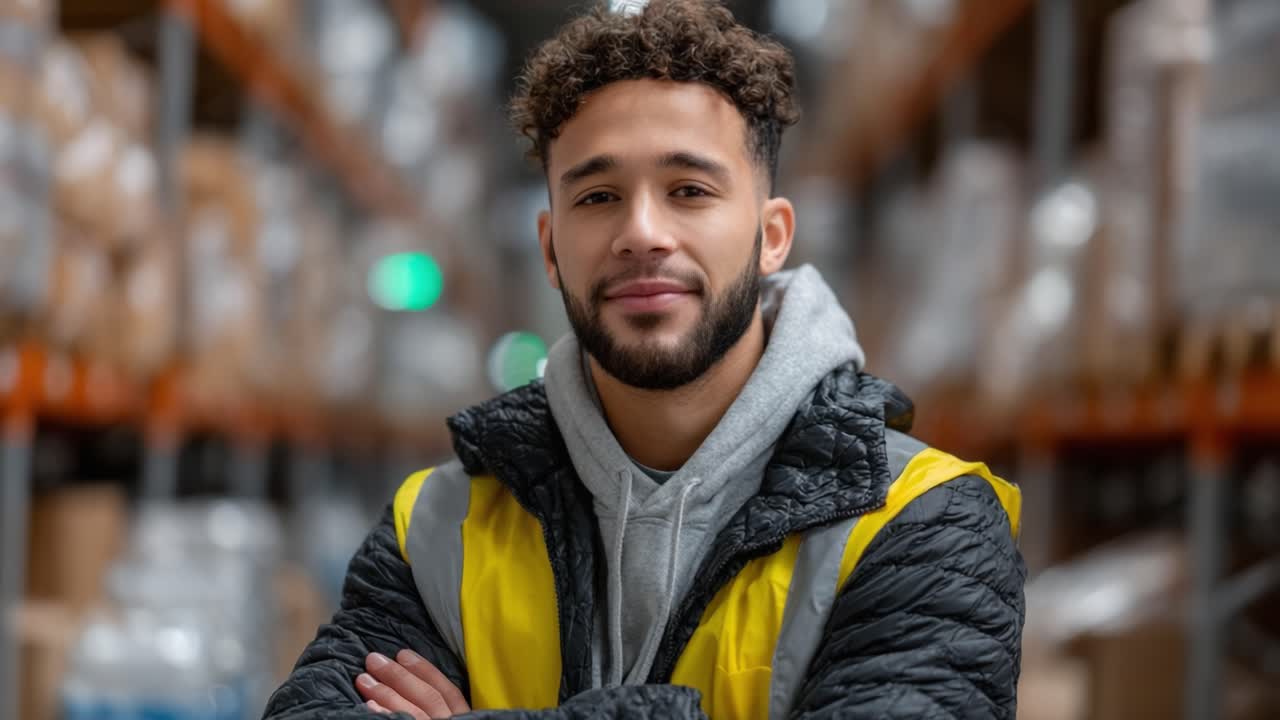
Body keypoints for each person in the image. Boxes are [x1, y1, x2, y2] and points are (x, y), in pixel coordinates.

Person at [263, 1, 1025, 718]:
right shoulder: (439, 526)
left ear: (773, 235)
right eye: (597, 197)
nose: (642, 232)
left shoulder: (923, 523)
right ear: (550, 247)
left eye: (689, 190)